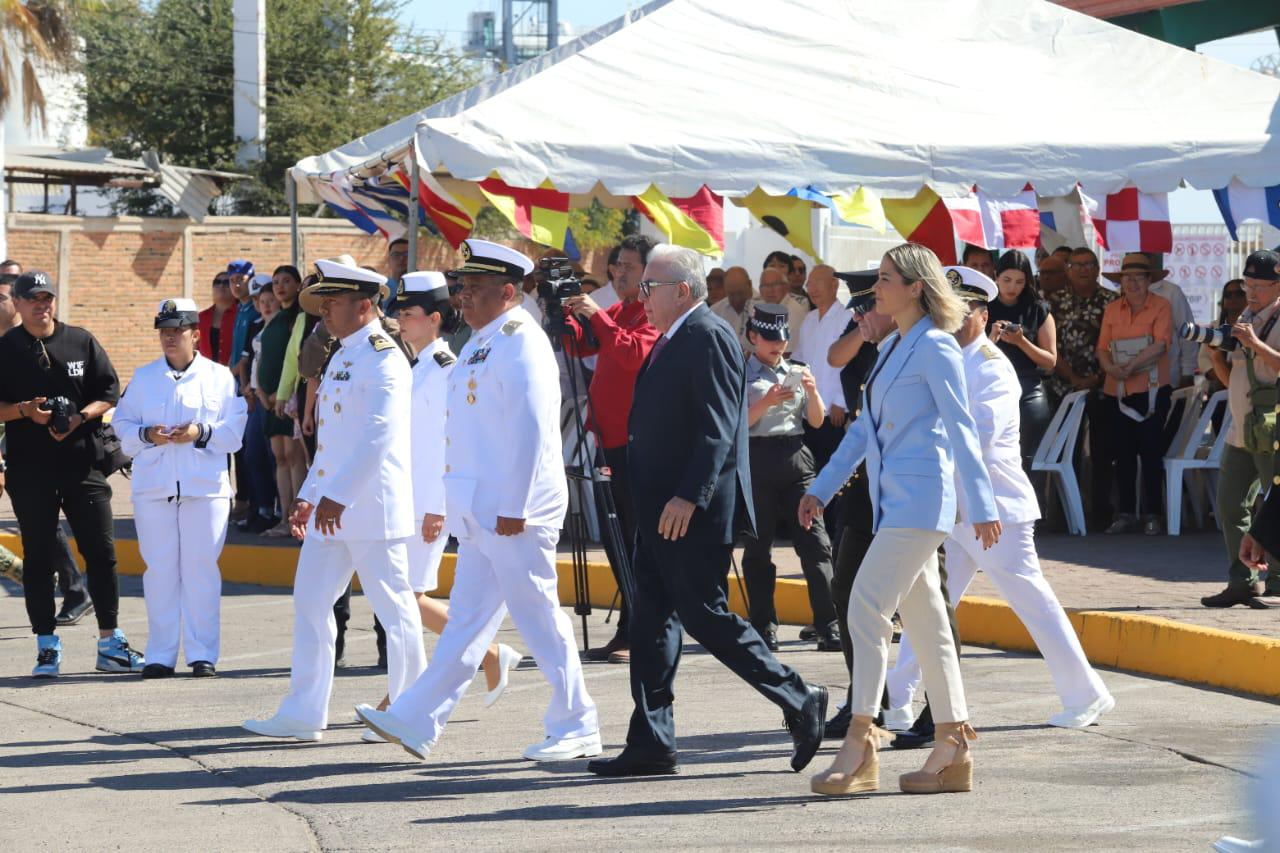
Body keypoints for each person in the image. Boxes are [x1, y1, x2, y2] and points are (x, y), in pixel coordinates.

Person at [587, 243, 827, 779]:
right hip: (660, 509)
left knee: (704, 615)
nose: (641, 296)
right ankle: (651, 741)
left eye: (649, 287)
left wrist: (689, 495)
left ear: (682, 291)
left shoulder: (707, 335)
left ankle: (799, 695)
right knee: (651, 622)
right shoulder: (675, 335)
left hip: (688, 512)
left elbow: (719, 426)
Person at [357, 240, 599, 763]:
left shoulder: (521, 341)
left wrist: (516, 505)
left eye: (474, 288)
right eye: (462, 287)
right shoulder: (481, 342)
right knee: (466, 622)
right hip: (480, 510)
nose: (462, 296)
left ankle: (578, 722)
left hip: (514, 511)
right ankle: (416, 719)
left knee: (538, 616)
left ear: (508, 292)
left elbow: (531, 430)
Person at [800, 242, 1000, 798]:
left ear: (915, 287)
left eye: (886, 278)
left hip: (921, 504)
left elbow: (962, 428)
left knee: (864, 606)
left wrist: (982, 505)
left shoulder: (936, 345)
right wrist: (820, 488)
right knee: (928, 624)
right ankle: (952, 747)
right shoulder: (892, 347)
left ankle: (861, 739)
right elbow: (862, 432)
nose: (876, 288)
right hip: (894, 503)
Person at [886, 267, 1113, 729]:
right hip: (956, 510)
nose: (951, 319)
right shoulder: (948, 359)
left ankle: (1087, 694)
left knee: (1032, 603)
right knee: (930, 603)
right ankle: (895, 697)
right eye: (945, 309)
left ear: (983, 315)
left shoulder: (990, 367)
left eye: (962, 310)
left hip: (995, 510)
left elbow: (978, 438)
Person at [243, 258, 427, 743]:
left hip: (370, 507)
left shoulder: (385, 357)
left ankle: (411, 711)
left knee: (394, 609)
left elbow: (378, 436)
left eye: (333, 301)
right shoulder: (343, 354)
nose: (323, 310)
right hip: (333, 508)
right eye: (323, 302)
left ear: (364, 305)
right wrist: (309, 496)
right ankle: (304, 712)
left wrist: (337, 496)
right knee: (310, 601)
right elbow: (333, 442)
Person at [356, 272, 521, 741]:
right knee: (407, 599)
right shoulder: (417, 366)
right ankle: (487, 656)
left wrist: (436, 507)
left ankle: (403, 700)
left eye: (408, 314)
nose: (400, 322)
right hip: (406, 498)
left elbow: (446, 445)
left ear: (433, 319)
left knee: (407, 600)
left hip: (426, 502)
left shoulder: (446, 367)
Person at [0, 270, 145, 677]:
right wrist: (26, 411)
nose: (42, 305)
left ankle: (110, 643)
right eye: (33, 299)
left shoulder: (80, 340)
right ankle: (46, 646)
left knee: (102, 553)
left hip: (83, 465)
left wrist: (80, 417)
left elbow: (109, 392)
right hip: (30, 471)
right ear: (18, 303)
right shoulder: (6, 349)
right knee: (38, 558)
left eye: (47, 298)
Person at [113, 298, 247, 678]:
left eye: (177, 330)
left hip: (205, 489)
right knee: (160, 572)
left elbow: (234, 432)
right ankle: (160, 654)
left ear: (195, 335)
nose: (169, 337)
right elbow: (122, 426)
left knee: (201, 570)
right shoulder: (144, 377)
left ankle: (203, 653)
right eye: (164, 331)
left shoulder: (220, 377)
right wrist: (147, 435)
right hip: (154, 488)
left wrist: (199, 432)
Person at [562, 234, 660, 665]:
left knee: (634, 540)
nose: (619, 273)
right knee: (616, 538)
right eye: (616, 265)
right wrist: (565, 315)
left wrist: (596, 316)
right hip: (608, 442)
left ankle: (644, 629)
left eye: (629, 267)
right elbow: (581, 345)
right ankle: (630, 625)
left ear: (650, 273)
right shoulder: (620, 311)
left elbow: (632, 353)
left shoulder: (653, 313)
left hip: (636, 446)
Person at [820, 274, 896, 738]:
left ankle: (932, 710)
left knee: (924, 606)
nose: (860, 317)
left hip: (901, 489)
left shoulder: (913, 347)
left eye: (869, 307)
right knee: (847, 588)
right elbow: (835, 358)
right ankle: (866, 698)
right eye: (858, 310)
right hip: (864, 479)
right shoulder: (875, 343)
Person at [740, 304, 840, 652]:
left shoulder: (797, 369)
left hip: (796, 457)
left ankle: (829, 623)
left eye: (781, 339)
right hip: (757, 458)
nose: (777, 346)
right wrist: (766, 402)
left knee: (816, 543)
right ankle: (763, 624)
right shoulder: (740, 372)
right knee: (758, 546)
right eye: (769, 339)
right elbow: (737, 424)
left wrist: (812, 392)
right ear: (753, 337)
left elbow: (816, 421)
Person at [0, 261, 87, 619]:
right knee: (37, 520)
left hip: (34, 447)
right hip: (15, 444)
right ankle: (66, 585)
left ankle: (73, 587)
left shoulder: (30, 342)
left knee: (41, 519)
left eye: (3, 296)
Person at [1201, 250, 1280, 608]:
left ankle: (1277, 580)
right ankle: (1241, 581)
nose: (1251, 293)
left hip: (1272, 429)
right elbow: (1231, 377)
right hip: (1241, 428)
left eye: (1259, 286)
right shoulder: (1245, 317)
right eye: (1248, 285)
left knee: (1275, 504)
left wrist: (1255, 344)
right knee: (1231, 503)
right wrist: (1216, 354)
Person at [1096, 253, 1173, 536]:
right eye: (1127, 278)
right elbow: (1102, 348)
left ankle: (1153, 514)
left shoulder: (1161, 306)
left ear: (1149, 280)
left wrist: (1130, 366)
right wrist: (1110, 368)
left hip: (1152, 390)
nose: (1132, 283)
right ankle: (1126, 513)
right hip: (1118, 390)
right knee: (1123, 453)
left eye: (1138, 277)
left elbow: (1161, 344)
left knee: (1152, 452)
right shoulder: (1112, 309)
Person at [1048, 248, 1116, 530]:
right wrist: (1074, 378)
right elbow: (1048, 345)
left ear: (1098, 268)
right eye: (1077, 265)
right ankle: (1064, 517)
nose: (1083, 269)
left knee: (1103, 452)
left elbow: (1118, 345)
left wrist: (1098, 377)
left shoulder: (1112, 301)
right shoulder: (1053, 301)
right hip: (1064, 386)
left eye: (1089, 264)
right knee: (1066, 451)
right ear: (1068, 270)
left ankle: (1100, 514)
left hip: (1104, 385)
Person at [791, 265, 854, 539]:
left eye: (817, 282)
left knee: (833, 471)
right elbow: (799, 359)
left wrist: (841, 401)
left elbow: (850, 364)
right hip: (809, 409)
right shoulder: (809, 319)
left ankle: (834, 531)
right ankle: (816, 529)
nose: (811, 288)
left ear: (834, 285)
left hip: (833, 409)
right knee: (811, 471)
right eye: (809, 283)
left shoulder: (847, 317)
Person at [987, 251, 1057, 479]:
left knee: (1029, 458)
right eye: (1006, 280)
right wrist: (991, 339)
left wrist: (1021, 341)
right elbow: (970, 356)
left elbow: (1050, 361)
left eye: (1019, 281)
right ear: (996, 276)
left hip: (1028, 389)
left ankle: (1035, 501)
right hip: (991, 389)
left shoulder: (1038, 309)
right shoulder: (982, 308)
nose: (1012, 287)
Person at [255, 266, 305, 538]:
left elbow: (297, 358)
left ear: (298, 284)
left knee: (295, 457)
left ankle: (299, 520)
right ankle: (285, 518)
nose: (280, 286)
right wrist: (263, 393)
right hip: (270, 402)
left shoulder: (298, 317)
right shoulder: (273, 319)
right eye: (276, 282)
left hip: (289, 399)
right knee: (280, 458)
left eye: (286, 281)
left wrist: (282, 394)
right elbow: (263, 358)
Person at [229, 263, 278, 533]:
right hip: (254, 398)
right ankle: (260, 509)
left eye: (269, 300)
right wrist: (246, 387)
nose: (264, 305)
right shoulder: (255, 325)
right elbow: (244, 361)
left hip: (274, 400)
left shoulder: (283, 325)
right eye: (260, 300)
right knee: (252, 456)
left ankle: (279, 511)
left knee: (275, 458)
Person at [709, 266, 757, 351]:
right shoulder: (715, 312)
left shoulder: (763, 307)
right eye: (731, 295)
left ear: (750, 285)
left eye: (740, 293)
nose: (737, 299)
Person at [758, 267, 805, 349]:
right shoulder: (760, 308)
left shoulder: (794, 311)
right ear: (760, 290)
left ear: (786, 287)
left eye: (775, 284)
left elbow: (785, 350)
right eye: (765, 286)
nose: (770, 290)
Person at [197, 272, 239, 365]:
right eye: (217, 282)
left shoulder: (241, 315)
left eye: (226, 282)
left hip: (234, 372)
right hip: (205, 371)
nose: (221, 285)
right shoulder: (201, 317)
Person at [381, 237, 410, 313]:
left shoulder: (421, 288)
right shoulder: (382, 288)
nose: (401, 258)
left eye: (406, 254)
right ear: (389, 260)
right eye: (396, 255)